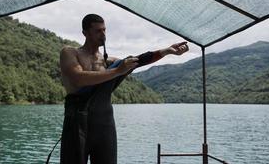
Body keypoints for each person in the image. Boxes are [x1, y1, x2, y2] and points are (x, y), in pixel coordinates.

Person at [59, 14, 189, 164]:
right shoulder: (70, 52)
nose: (103, 35)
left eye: (104, 30)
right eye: (98, 31)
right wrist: (116, 71)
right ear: (85, 33)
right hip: (77, 122)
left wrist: (167, 51)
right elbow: (78, 78)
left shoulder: (109, 61)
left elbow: (137, 61)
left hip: (104, 122)